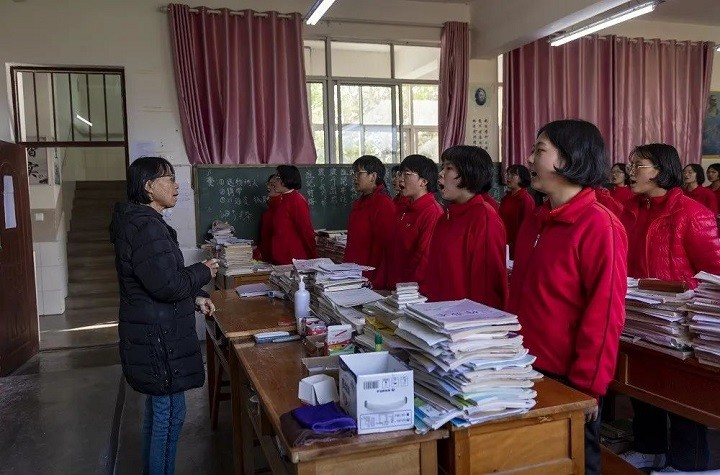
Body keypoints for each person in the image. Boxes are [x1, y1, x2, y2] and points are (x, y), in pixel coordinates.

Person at [506, 120, 628, 475]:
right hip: (526, 365)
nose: (529, 158)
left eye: (540, 150)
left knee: (575, 460)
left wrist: (588, 385)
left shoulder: (599, 225)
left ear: (570, 159)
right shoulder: (536, 219)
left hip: (569, 376)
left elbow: (605, 314)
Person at [109, 156, 218, 475]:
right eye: (168, 179)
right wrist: (202, 271)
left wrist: (195, 297)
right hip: (158, 337)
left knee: (163, 413)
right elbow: (166, 284)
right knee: (167, 417)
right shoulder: (145, 226)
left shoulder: (141, 222)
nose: (176, 184)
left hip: (155, 330)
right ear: (148, 186)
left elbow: (157, 279)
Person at [620, 144, 720, 472]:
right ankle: (650, 448)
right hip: (639, 314)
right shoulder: (631, 209)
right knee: (643, 386)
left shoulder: (692, 213)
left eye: (639, 165)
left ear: (661, 170)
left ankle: (689, 463)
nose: (631, 171)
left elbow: (714, 272)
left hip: (680, 320)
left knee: (680, 395)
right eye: (631, 164)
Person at [421, 145, 507, 308]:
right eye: (442, 167)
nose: (441, 173)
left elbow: (488, 290)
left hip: (467, 326)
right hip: (438, 318)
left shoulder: (484, 218)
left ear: (469, 173)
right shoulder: (445, 218)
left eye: (449, 168)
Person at [374, 154, 442, 290]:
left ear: (423, 181)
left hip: (408, 295)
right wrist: (379, 285)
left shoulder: (432, 212)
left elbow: (423, 261)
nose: (400, 180)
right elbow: (389, 250)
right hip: (391, 291)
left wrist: (404, 292)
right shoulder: (403, 209)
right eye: (400, 174)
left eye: (407, 174)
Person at [344, 155, 395, 280]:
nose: (354, 177)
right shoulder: (360, 202)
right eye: (353, 173)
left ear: (373, 176)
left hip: (369, 276)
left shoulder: (383, 203)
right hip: (353, 271)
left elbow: (383, 248)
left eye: (359, 173)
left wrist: (373, 279)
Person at [269, 165, 317, 264]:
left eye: (278, 178)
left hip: (294, 259)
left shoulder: (297, 200)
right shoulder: (283, 200)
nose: (274, 182)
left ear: (287, 180)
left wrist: (313, 256)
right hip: (281, 258)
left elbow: (306, 231)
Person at [499, 164, 535, 260]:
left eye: (513, 174)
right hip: (503, 242)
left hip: (516, 246)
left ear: (522, 178)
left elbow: (528, 229)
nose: (508, 177)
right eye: (508, 174)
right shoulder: (506, 198)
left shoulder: (526, 200)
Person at [253, 174, 281, 262]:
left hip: (280, 260)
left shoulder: (284, 209)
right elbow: (265, 241)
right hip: (268, 260)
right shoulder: (267, 213)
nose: (268, 187)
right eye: (268, 184)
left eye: (273, 184)